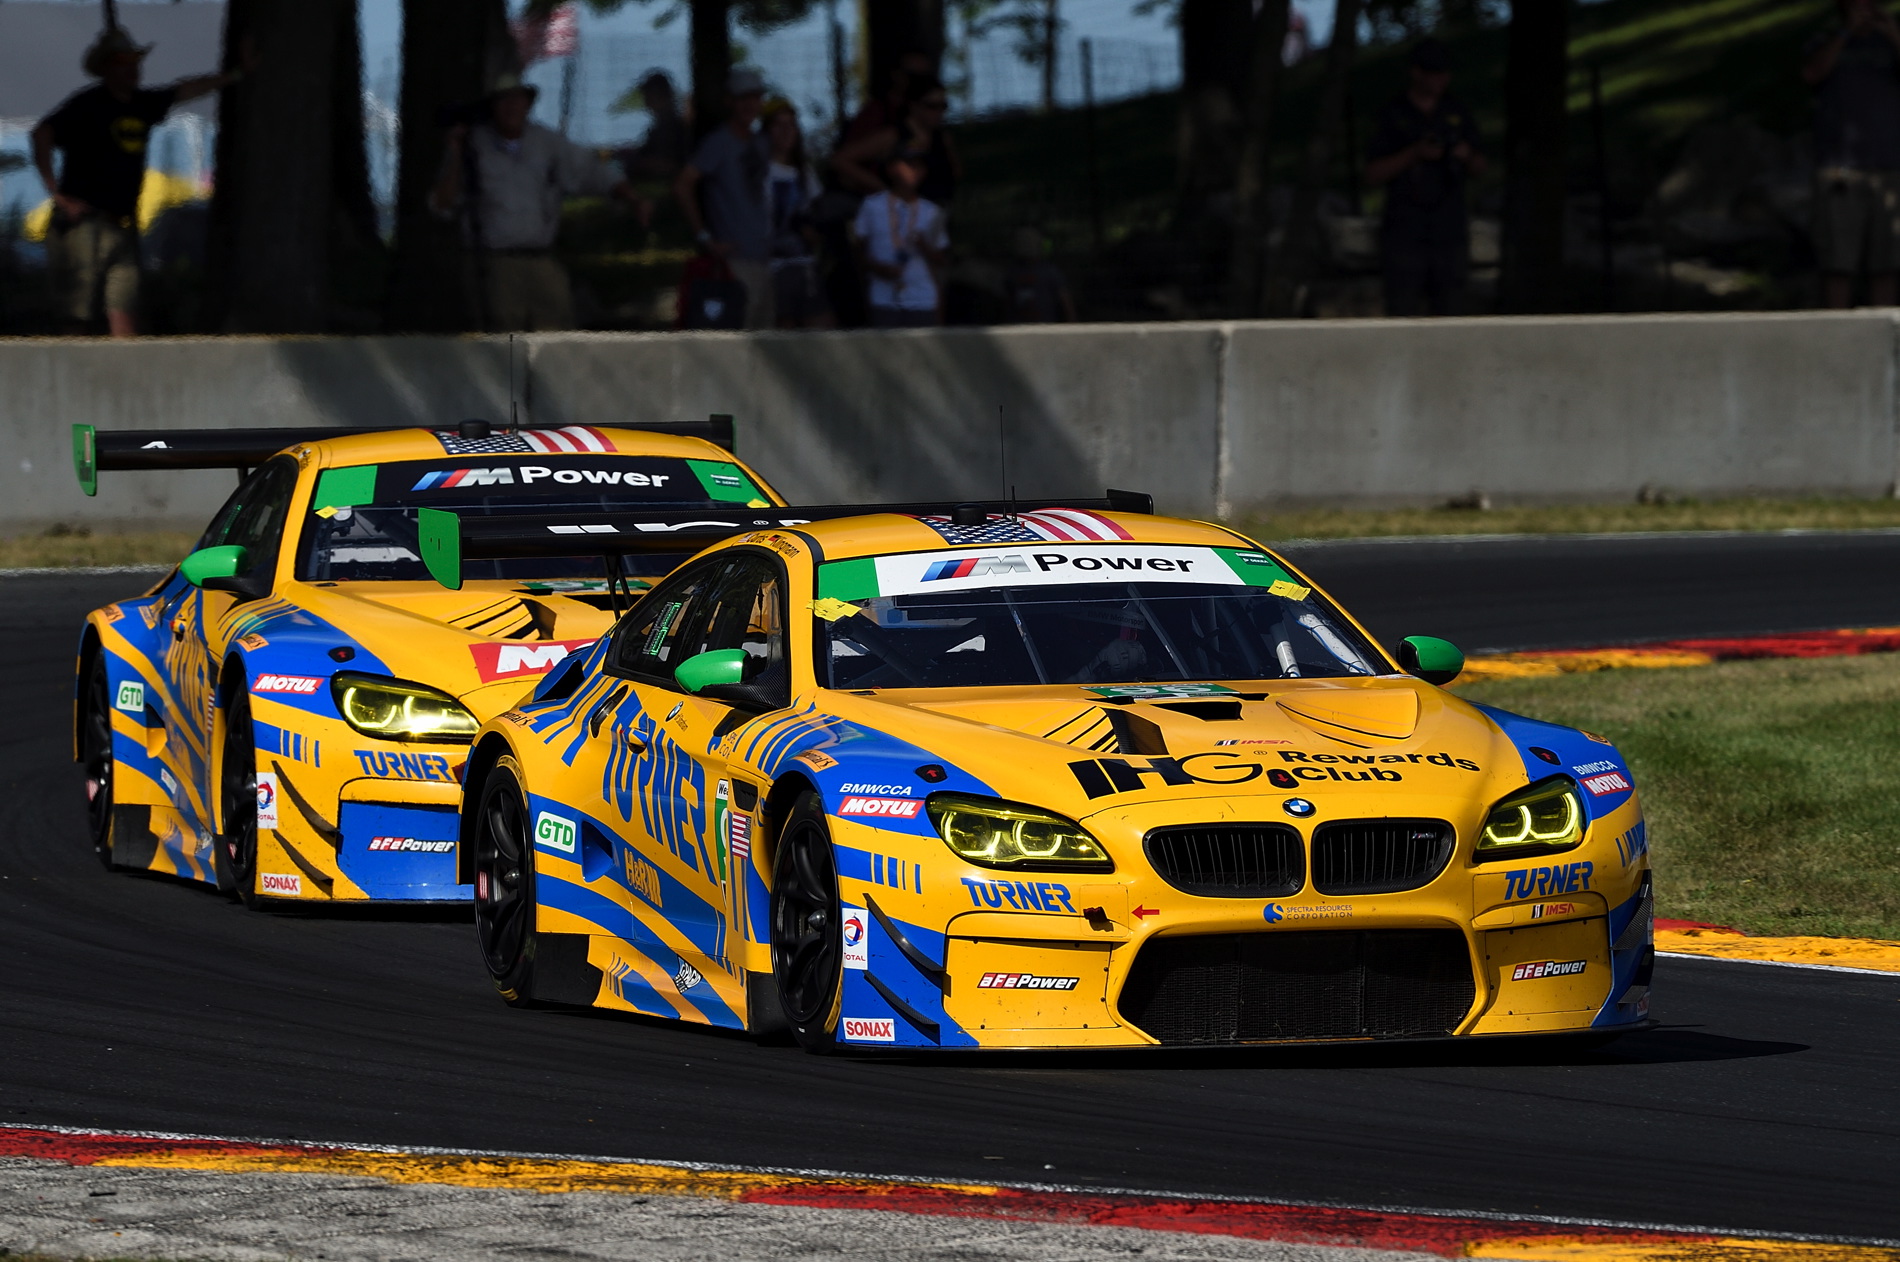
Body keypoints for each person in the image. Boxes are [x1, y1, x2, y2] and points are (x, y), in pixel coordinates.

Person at [32, 25, 245, 337]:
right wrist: (57, 194)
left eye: (135, 60)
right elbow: (42, 133)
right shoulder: (88, 104)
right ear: (106, 68)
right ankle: (73, 368)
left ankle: (124, 366)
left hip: (122, 225)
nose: (132, 68)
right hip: (84, 225)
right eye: (123, 61)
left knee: (125, 308)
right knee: (77, 315)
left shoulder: (142, 104)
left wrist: (236, 74)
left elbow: (184, 90)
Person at [430, 72, 645, 332]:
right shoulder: (474, 145)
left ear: (528, 103)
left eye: (517, 99)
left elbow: (590, 171)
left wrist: (631, 197)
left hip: (541, 258)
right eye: (503, 100)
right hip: (494, 263)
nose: (511, 106)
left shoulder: (547, 142)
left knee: (556, 332)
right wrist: (456, 150)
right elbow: (443, 204)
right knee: (504, 337)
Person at [1364, 38, 1484, 318]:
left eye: (1444, 73)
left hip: (1449, 228)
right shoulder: (1393, 114)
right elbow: (1373, 173)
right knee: (1403, 309)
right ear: (1417, 73)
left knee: (1451, 309)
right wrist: (1414, 154)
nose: (1441, 80)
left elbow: (1480, 166)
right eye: (1434, 73)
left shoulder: (1456, 111)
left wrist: (1464, 154)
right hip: (1406, 230)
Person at [1803, 0, 1900, 307]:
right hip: (1840, 168)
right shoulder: (1824, 40)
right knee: (1838, 263)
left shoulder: (1889, 43)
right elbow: (1812, 74)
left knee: (1887, 264)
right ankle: (1837, 328)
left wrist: (1894, 34)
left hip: (1890, 166)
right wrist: (1846, 33)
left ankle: (1885, 330)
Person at [675, 68, 775, 329]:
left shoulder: (763, 143)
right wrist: (704, 237)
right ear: (730, 102)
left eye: (755, 97)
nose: (749, 105)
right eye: (743, 98)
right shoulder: (718, 143)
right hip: (735, 263)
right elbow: (683, 185)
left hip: (768, 260)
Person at [831, 74, 960, 209]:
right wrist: (882, 189)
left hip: (935, 211)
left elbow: (955, 172)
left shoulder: (941, 137)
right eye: (932, 106)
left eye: (943, 106)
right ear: (913, 105)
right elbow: (840, 160)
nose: (939, 112)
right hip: (898, 213)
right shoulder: (893, 136)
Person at [850, 152, 948, 328]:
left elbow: (942, 260)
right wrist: (877, 268)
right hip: (883, 297)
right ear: (891, 168)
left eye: (919, 166)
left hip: (921, 298)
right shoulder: (872, 206)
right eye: (909, 165)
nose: (914, 171)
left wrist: (924, 246)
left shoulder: (931, 211)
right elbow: (857, 251)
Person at [762, 100, 832, 329]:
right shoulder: (759, 171)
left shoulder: (805, 171)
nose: (785, 131)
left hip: (805, 264)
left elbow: (816, 214)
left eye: (791, 125)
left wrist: (813, 232)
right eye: (778, 125)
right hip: (771, 267)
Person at [619, 70, 690, 184]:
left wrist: (638, 162)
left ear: (662, 96)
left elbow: (669, 165)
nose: (647, 103)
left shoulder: (672, 128)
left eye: (649, 96)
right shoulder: (659, 127)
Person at [1002, 227, 1077, 323]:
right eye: (1024, 242)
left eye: (1030, 242)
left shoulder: (1050, 271)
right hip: (1019, 326)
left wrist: (1072, 323)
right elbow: (1007, 302)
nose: (1028, 245)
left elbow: (1065, 299)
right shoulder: (1012, 273)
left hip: (1045, 326)